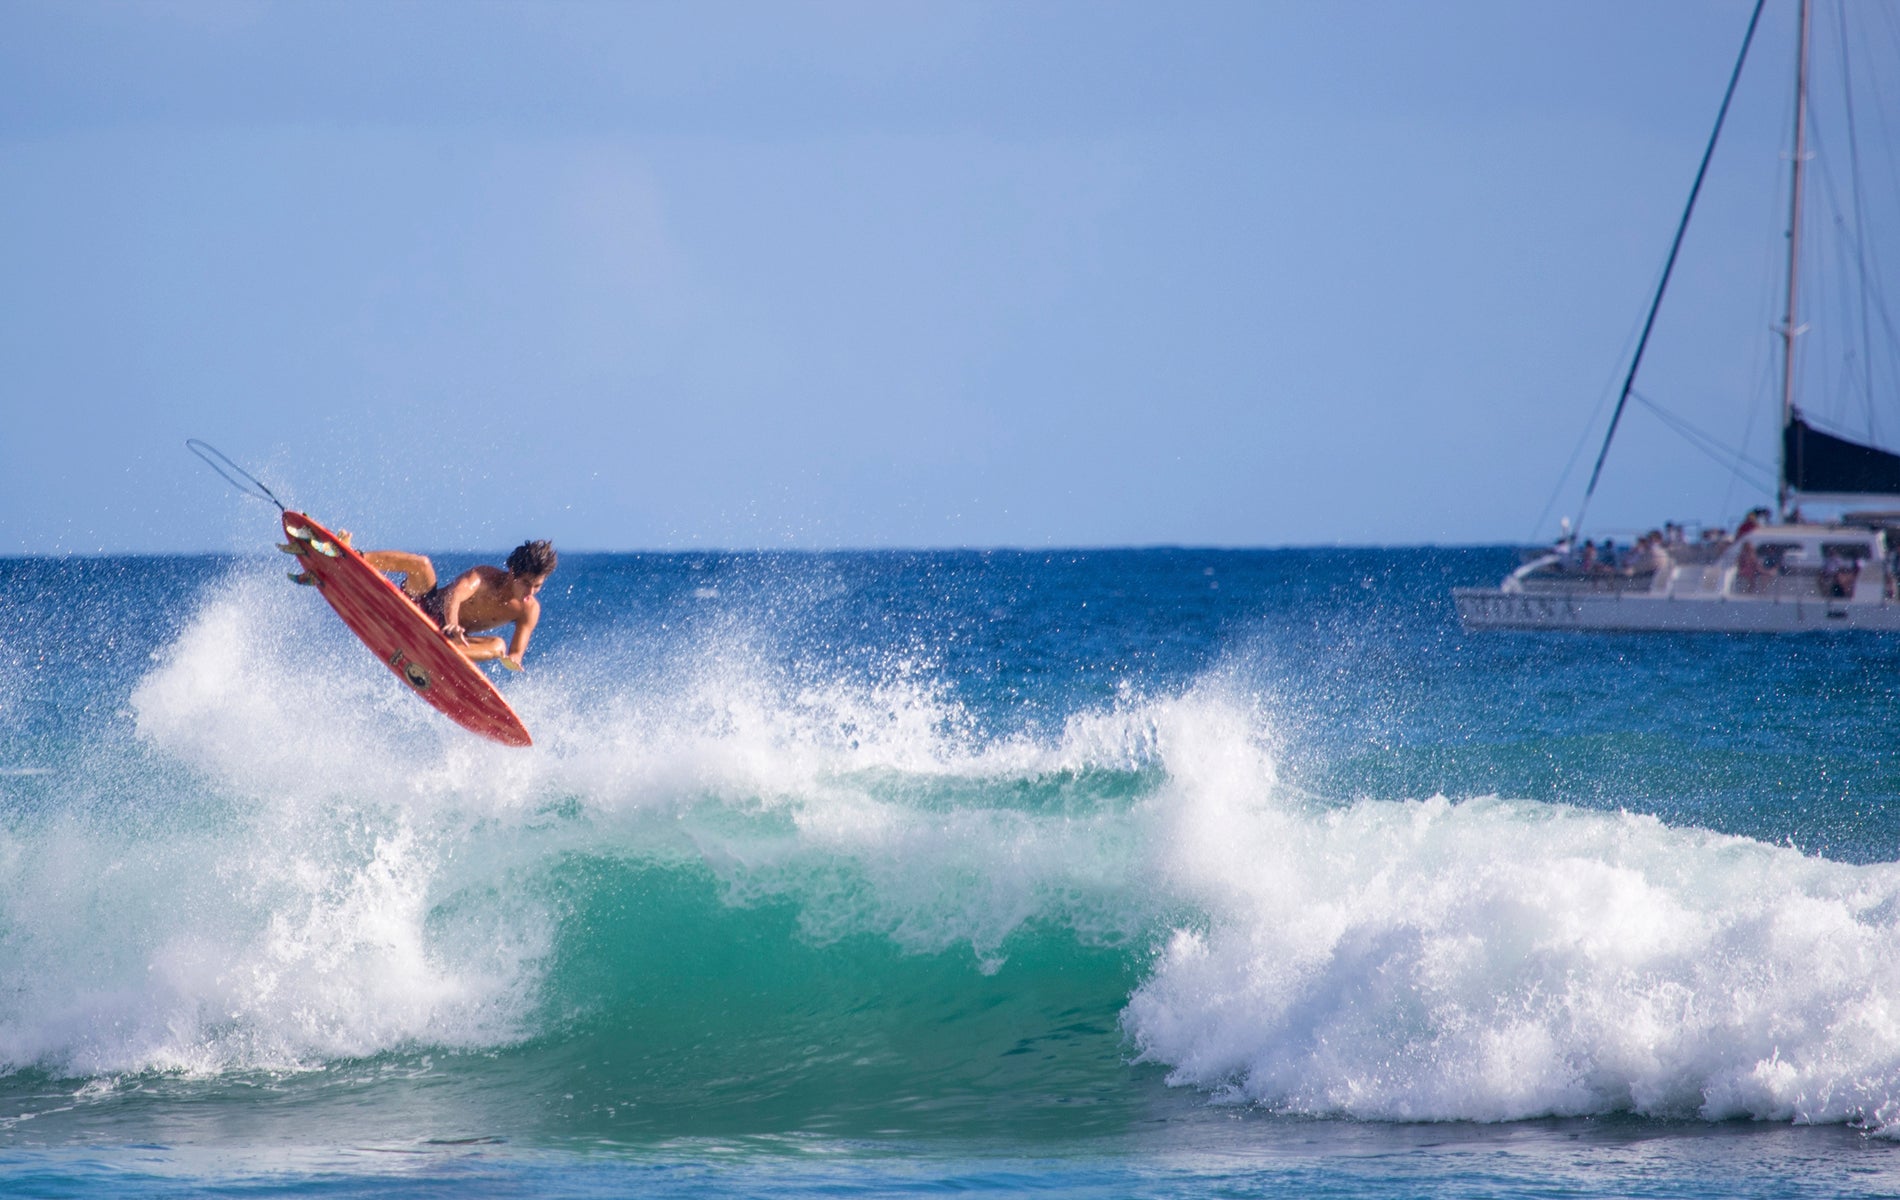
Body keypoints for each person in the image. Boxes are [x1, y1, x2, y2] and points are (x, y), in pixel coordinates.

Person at [359, 539, 558, 670]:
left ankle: (435, 654)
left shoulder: (529, 609)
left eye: (537, 586)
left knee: (498, 645)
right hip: (425, 608)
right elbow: (454, 595)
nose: (530, 592)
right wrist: (452, 623)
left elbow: (515, 653)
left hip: (449, 643)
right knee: (422, 565)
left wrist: (514, 659)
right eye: (526, 584)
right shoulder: (484, 576)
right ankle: (355, 556)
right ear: (512, 572)